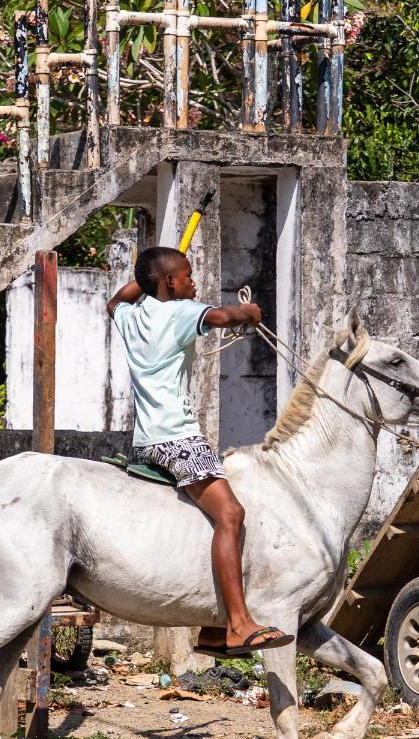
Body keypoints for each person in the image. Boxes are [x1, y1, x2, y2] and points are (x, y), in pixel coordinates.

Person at [108, 246, 292, 656]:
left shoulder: (132, 317)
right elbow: (226, 317)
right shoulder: (178, 313)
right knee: (231, 514)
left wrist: (148, 277)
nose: (194, 283)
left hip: (146, 439)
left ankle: (212, 628)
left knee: (210, 518)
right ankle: (238, 625)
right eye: (187, 276)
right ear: (169, 282)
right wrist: (252, 312)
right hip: (179, 438)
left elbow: (116, 300)